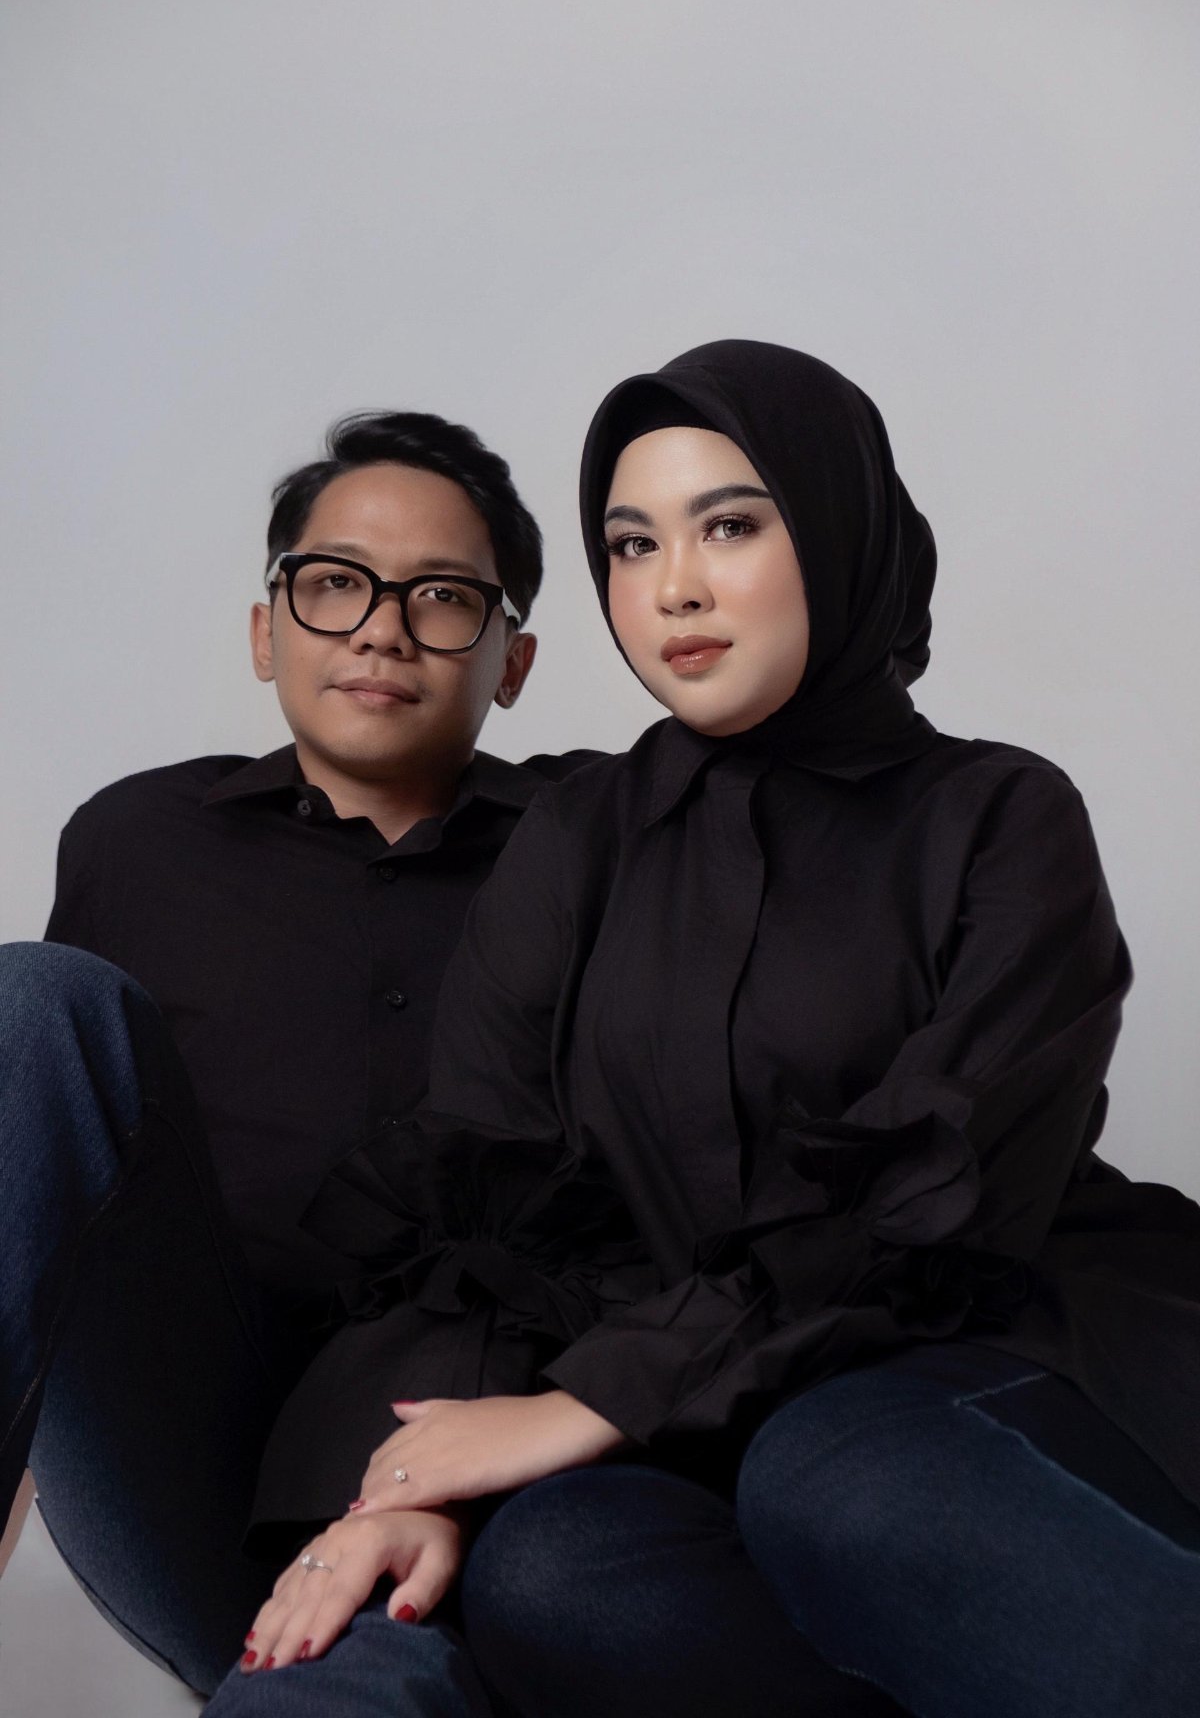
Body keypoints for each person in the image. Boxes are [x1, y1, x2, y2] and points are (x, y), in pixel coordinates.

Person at [217, 342, 1200, 1718]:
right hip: (701, 1410)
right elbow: (487, 1192)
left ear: (839, 532)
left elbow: (940, 1194)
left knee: (832, 1473)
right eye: (632, 544)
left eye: (729, 526)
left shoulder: (998, 814)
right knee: (553, 1566)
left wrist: (599, 1400)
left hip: (993, 1355)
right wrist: (418, 1480)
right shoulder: (578, 841)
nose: (672, 585)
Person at [0, 408, 596, 1706]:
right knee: (32, 1000)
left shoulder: (601, 837)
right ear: (267, 629)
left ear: (514, 661)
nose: (382, 629)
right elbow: (34, 1165)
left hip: (466, 1437)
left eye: (442, 597)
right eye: (335, 584)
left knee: (367, 1682)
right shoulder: (139, 839)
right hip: (184, 1436)